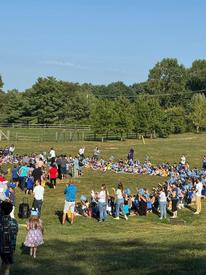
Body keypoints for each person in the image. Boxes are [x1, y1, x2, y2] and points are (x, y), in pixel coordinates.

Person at [0, 201, 18, 275]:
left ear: (2, 210)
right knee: (7, 266)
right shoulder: (14, 221)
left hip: (1, 246)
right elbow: (15, 233)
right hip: (10, 247)